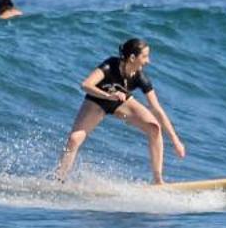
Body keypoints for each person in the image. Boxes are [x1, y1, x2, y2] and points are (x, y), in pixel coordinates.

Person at [55, 37, 186, 185]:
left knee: (154, 127)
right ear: (132, 57)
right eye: (144, 56)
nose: (148, 61)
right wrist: (108, 95)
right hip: (97, 101)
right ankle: (59, 180)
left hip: (121, 103)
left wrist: (175, 141)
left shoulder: (140, 77)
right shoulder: (110, 65)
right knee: (74, 139)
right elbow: (86, 85)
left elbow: (157, 109)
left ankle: (158, 180)